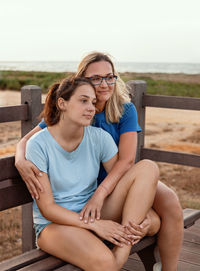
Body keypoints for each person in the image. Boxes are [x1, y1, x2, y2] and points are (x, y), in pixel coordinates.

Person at [15, 52, 183, 271]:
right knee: (114, 255)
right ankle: (124, 242)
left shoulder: (117, 115)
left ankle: (146, 257)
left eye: (109, 77)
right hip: (66, 215)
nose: (103, 84)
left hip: (105, 193)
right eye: (96, 79)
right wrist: (20, 158)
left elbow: (126, 162)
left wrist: (100, 197)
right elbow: (28, 141)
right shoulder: (59, 122)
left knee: (159, 203)